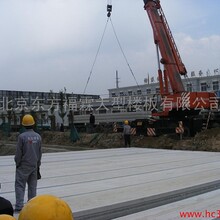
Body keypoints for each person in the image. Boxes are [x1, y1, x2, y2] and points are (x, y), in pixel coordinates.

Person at [14, 114, 42, 212]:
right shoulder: (38, 137)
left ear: (24, 125)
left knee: (20, 185)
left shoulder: (22, 137)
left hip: (23, 166)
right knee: (32, 187)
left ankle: (19, 207)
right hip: (34, 165)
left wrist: (17, 163)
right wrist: (38, 165)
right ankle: (32, 207)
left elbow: (18, 153)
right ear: (33, 124)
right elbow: (40, 153)